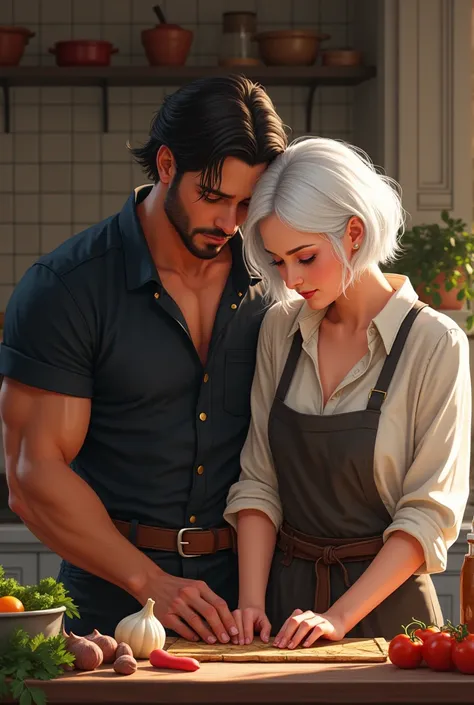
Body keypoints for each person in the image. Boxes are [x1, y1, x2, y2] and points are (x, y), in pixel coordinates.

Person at [0, 75, 288, 642]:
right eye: (212, 196)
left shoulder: (277, 282)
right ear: (164, 164)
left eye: (246, 203)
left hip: (256, 604)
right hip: (114, 602)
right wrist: (148, 580)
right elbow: (33, 473)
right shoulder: (68, 287)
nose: (230, 223)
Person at [224, 136, 472, 648]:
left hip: (389, 620)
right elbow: (259, 479)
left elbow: (429, 513)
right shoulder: (280, 330)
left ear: (354, 232)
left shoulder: (435, 343)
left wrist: (337, 618)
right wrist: (251, 604)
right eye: (277, 261)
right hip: (283, 610)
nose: (290, 281)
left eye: (305, 257)